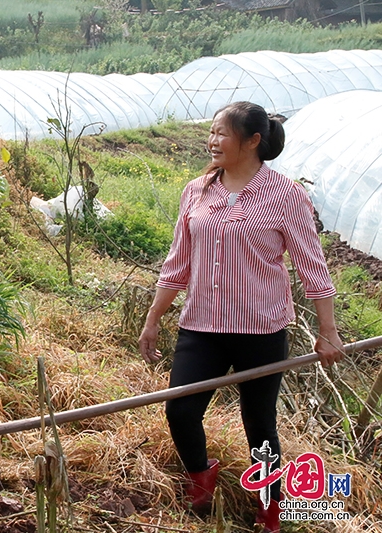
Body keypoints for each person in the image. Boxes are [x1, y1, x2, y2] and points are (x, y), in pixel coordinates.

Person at [138, 101, 344, 533]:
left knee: (259, 424)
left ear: (252, 141)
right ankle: (201, 479)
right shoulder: (196, 191)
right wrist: (154, 317)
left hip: (260, 330)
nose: (212, 141)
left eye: (222, 133)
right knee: (180, 410)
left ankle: (270, 507)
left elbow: (312, 267)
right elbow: (179, 264)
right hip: (202, 326)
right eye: (211, 132)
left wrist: (328, 332)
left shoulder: (286, 195)